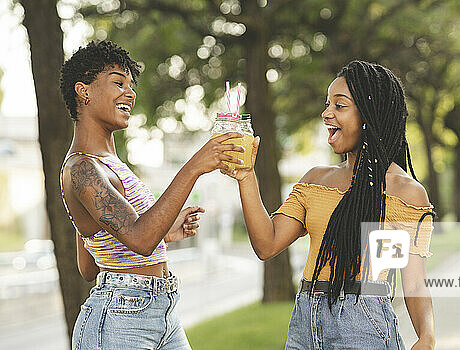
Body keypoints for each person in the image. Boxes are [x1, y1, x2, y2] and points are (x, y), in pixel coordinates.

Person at [223, 60, 435, 349]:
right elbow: (267, 244)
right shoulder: (315, 181)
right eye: (327, 104)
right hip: (304, 320)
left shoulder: (406, 194)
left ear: (369, 115)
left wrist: (426, 335)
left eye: (340, 105)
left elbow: (413, 281)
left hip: (364, 324)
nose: (326, 114)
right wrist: (246, 176)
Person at [59, 40, 244, 350]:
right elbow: (141, 239)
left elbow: (91, 266)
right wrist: (194, 166)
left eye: (131, 85)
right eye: (118, 82)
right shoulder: (82, 169)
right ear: (84, 90)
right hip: (119, 321)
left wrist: (163, 233)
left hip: (161, 312)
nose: (129, 93)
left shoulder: (110, 166)